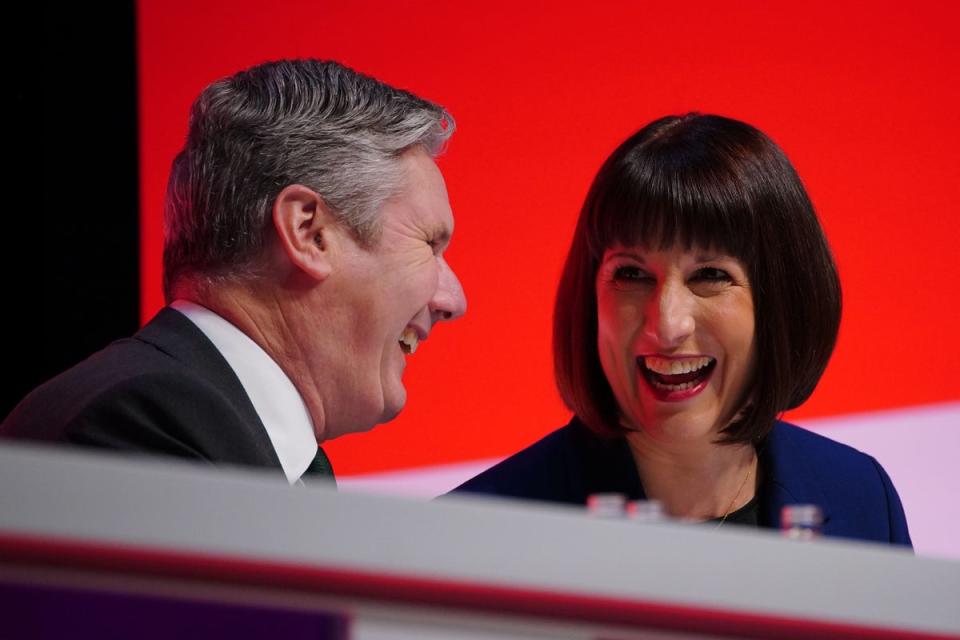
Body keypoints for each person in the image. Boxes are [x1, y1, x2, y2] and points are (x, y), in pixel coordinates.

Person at [2, 59, 466, 484]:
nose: (454, 300)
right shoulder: (143, 424)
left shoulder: (243, 444)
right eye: (429, 243)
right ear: (309, 232)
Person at [454, 114, 910, 546]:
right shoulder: (477, 533)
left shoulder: (863, 498)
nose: (667, 324)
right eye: (632, 275)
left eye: (709, 275)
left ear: (781, 302)